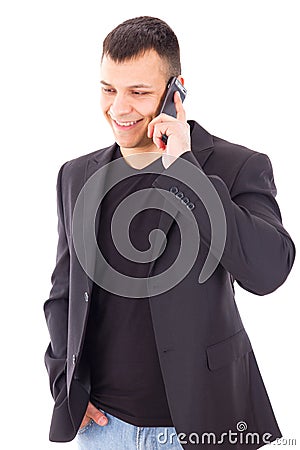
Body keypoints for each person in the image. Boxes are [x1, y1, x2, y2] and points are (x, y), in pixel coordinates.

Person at [43, 16, 295, 450]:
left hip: (206, 424)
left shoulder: (236, 166)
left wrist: (185, 167)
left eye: (138, 92)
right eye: (108, 89)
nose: (119, 109)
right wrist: (64, 384)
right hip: (104, 428)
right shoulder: (76, 175)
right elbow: (64, 293)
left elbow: (267, 271)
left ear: (175, 90)